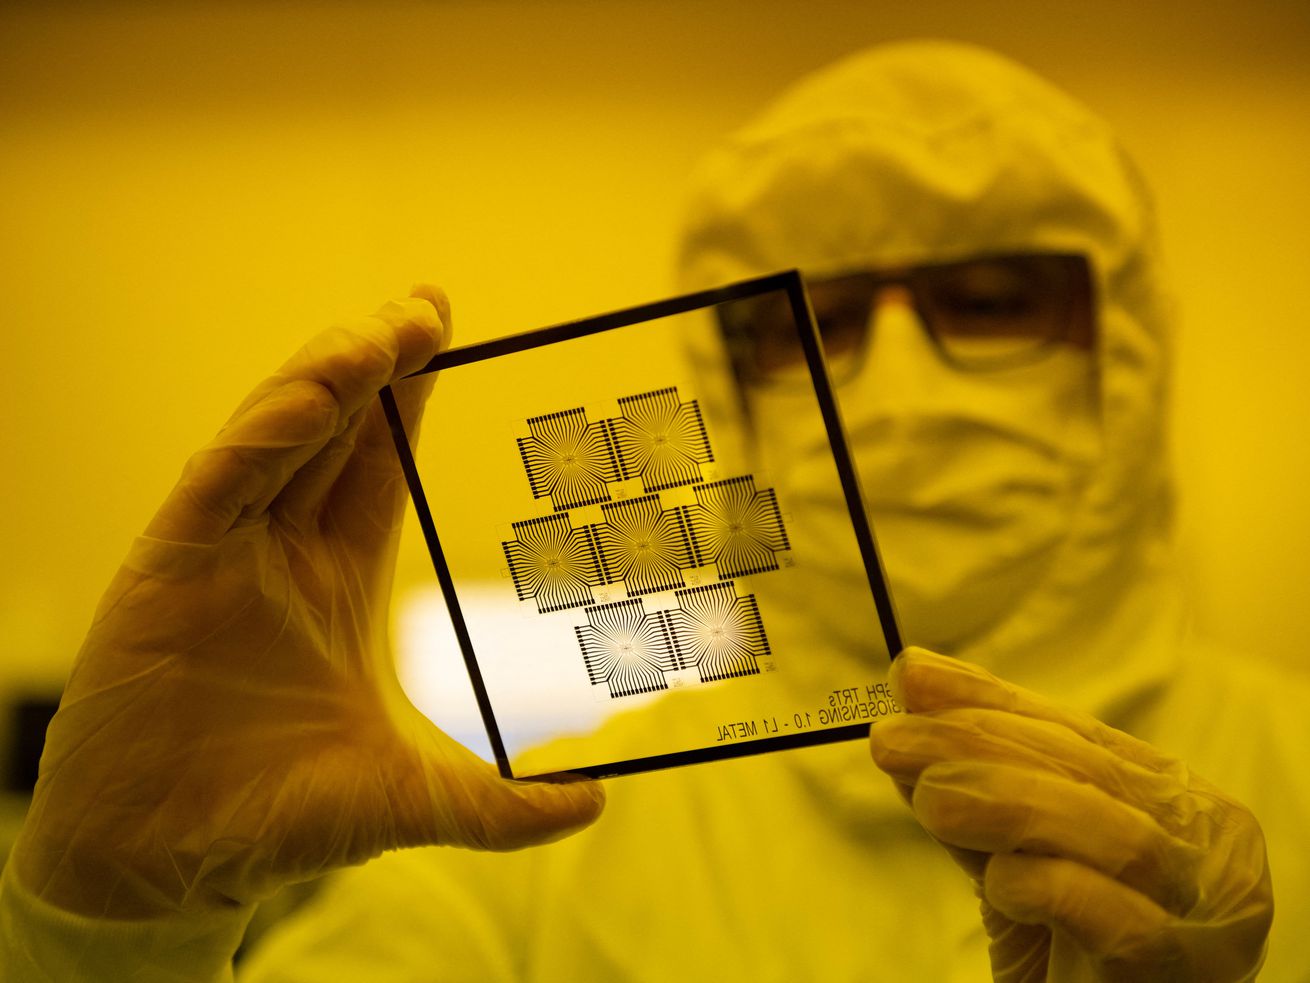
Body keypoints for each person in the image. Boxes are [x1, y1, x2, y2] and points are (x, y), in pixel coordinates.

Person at [2, 39, 1306, 982]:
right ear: (726, 389)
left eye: (991, 304)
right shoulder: (541, 843)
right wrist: (109, 935)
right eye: (820, 326)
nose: (897, 394)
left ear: (1125, 358)